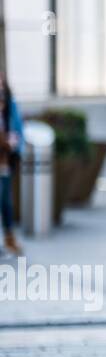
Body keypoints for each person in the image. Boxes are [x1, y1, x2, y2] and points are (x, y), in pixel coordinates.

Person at [1, 76, 24, 257]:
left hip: (6, 160)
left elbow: (18, 128)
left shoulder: (10, 105)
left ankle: (9, 238)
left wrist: (15, 145)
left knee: (6, 202)